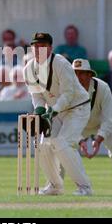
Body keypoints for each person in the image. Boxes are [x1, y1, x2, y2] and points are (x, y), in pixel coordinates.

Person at [24, 33, 93, 196]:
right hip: (54, 112)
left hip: (77, 108)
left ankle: (84, 187)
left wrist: (52, 110)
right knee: (42, 146)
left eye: (43, 46)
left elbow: (68, 94)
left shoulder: (61, 63)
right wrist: (39, 111)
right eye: (35, 46)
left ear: (50, 48)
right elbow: (36, 95)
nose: (38, 49)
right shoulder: (28, 69)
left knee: (63, 143)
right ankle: (55, 185)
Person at [72, 59, 112, 196]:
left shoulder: (103, 87)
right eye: (74, 73)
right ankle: (69, 188)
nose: (78, 77)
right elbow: (68, 121)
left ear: (89, 75)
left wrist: (98, 139)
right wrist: (80, 140)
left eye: (81, 73)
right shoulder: (68, 89)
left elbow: (108, 118)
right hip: (80, 125)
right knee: (64, 148)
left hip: (102, 121)